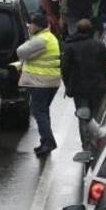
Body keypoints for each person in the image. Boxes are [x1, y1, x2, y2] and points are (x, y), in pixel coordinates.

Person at [16, 13, 61, 157]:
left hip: (40, 82)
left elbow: (20, 52)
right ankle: (45, 142)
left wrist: (30, 42)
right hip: (50, 81)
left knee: (39, 112)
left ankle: (49, 142)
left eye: (32, 25)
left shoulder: (40, 39)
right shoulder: (50, 37)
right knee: (44, 112)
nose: (29, 27)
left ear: (38, 26)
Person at [61, 18, 106, 150]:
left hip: (79, 90)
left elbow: (65, 69)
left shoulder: (71, 46)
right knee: (95, 116)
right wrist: (102, 80)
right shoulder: (99, 45)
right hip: (97, 88)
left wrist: (68, 85)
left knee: (83, 116)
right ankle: (95, 143)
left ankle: (86, 144)